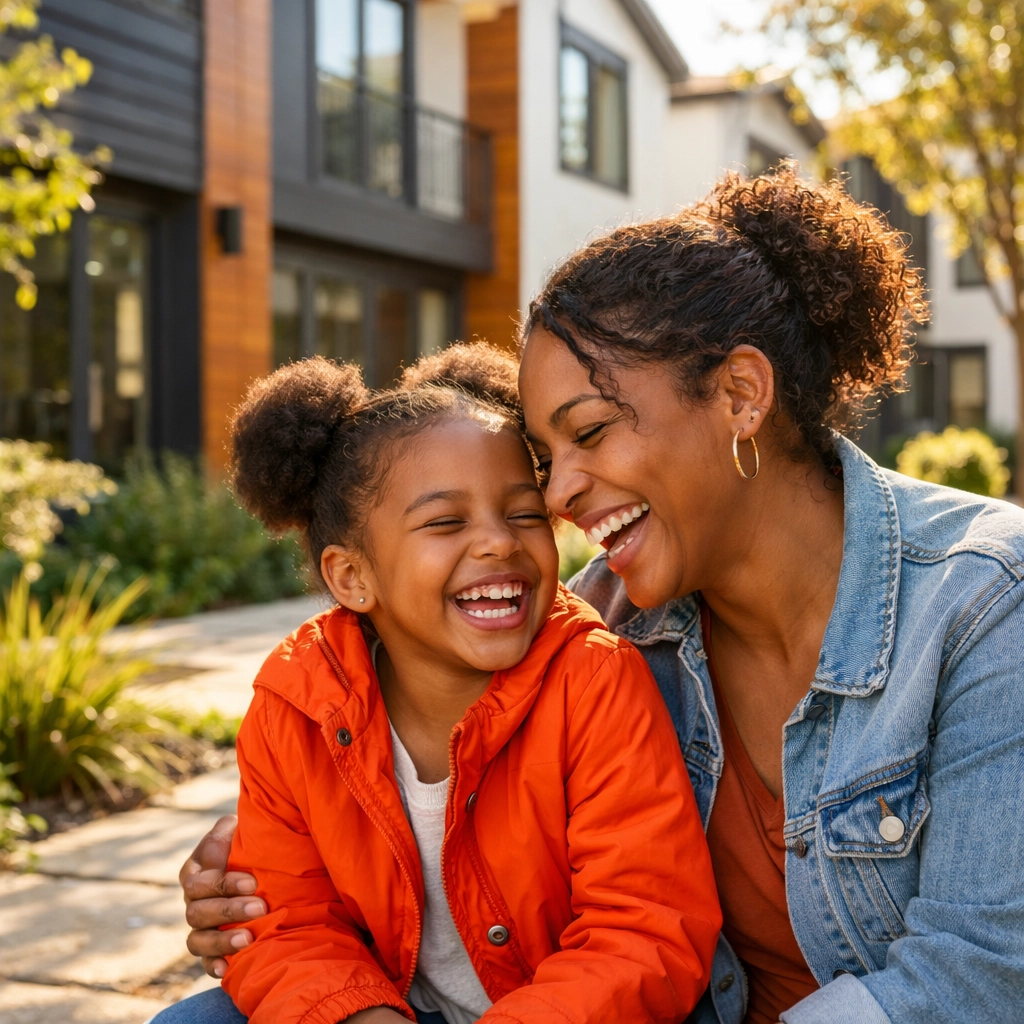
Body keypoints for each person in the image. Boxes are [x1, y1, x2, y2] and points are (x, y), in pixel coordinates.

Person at [175, 166, 1024, 1024]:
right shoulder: (604, 610)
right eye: (547, 458)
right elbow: (393, 694)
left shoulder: (984, 602)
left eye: (588, 432)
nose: (554, 499)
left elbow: (980, 978)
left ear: (739, 394)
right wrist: (255, 869)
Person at [155, 348, 720, 1024]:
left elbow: (643, 929)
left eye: (524, 514)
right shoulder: (294, 704)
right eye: (446, 522)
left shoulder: (595, 680)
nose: (497, 543)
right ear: (352, 577)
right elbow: (287, 923)